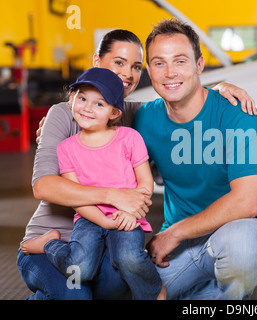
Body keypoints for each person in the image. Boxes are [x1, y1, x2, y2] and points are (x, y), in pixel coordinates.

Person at [17, 28, 257, 300]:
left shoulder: (135, 115)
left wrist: (219, 89)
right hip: (57, 238)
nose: (128, 74)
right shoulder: (64, 114)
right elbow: (44, 186)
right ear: (97, 62)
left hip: (111, 240)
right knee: (77, 293)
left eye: (135, 66)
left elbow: (181, 97)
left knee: (116, 289)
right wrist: (114, 196)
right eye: (118, 62)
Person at [133, 18, 257, 300]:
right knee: (127, 292)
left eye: (180, 61)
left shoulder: (236, 113)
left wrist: (173, 234)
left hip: (232, 234)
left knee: (243, 248)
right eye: (159, 63)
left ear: (199, 65)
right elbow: (96, 115)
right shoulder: (145, 117)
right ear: (149, 70)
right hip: (180, 251)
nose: (170, 72)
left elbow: (248, 201)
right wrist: (59, 118)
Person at [20, 67, 165, 300]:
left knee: (129, 259)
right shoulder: (66, 148)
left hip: (126, 216)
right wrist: (105, 221)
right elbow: (77, 198)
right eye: (82, 98)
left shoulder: (129, 138)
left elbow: (145, 181)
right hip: (89, 218)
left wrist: (132, 214)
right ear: (72, 99)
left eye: (99, 104)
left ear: (114, 112)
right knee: (81, 270)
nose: (87, 107)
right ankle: (48, 244)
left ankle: (155, 292)